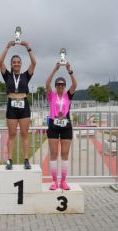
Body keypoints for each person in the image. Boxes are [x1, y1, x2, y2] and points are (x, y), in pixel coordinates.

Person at [0, 40, 36, 170]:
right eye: (14, 62)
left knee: (25, 134)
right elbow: (0, 62)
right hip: (12, 106)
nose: (16, 64)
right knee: (12, 134)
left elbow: (34, 63)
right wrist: (7, 47)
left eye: (18, 62)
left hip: (24, 105)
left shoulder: (26, 75)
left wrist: (28, 48)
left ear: (21, 64)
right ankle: (9, 160)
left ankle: (26, 160)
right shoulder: (7, 75)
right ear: (11, 64)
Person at [45, 62, 77, 190]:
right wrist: (55, 69)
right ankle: (54, 182)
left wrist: (69, 70)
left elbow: (75, 84)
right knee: (53, 154)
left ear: (64, 86)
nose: (60, 86)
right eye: (58, 84)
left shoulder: (68, 95)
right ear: (55, 86)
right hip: (53, 125)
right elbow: (47, 83)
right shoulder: (51, 95)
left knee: (64, 154)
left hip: (66, 125)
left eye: (62, 84)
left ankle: (63, 181)